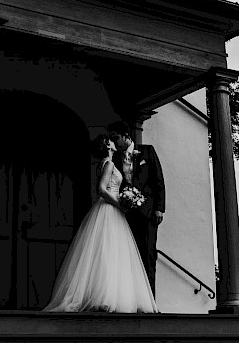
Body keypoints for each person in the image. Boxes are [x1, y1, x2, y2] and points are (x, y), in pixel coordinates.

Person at [42, 134, 158, 313]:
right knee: (107, 251)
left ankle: (105, 296)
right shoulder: (109, 164)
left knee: (107, 252)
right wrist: (121, 203)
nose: (114, 142)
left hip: (110, 208)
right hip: (109, 209)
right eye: (111, 141)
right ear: (108, 145)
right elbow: (102, 189)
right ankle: (104, 297)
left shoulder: (105, 162)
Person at [107, 120, 165, 295]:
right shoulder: (115, 158)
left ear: (126, 136)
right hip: (126, 213)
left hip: (148, 212)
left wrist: (159, 208)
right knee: (128, 255)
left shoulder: (147, 151)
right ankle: (131, 298)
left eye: (116, 138)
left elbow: (158, 181)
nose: (114, 142)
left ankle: (149, 301)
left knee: (148, 255)